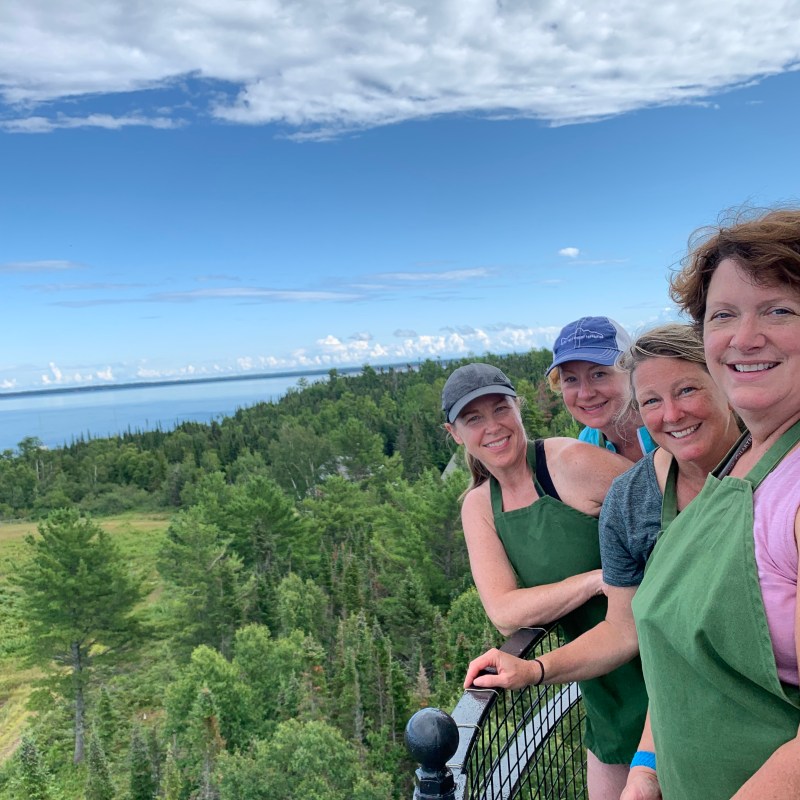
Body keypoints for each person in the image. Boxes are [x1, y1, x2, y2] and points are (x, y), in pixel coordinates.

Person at [463, 324, 741, 788]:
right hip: (631, 683)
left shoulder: (761, 466)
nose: (670, 414)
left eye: (599, 373)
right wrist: (535, 667)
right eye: (653, 402)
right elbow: (627, 623)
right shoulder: (629, 488)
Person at [624, 210, 800, 800]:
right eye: (723, 315)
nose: (744, 338)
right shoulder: (745, 460)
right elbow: (684, 660)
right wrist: (647, 768)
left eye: (778, 309)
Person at [442, 361, 643, 799]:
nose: (493, 427)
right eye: (473, 418)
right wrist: (597, 580)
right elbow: (504, 611)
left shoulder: (568, 462)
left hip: (657, 658)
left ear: (519, 409)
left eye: (500, 409)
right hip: (601, 682)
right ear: (454, 433)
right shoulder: (480, 506)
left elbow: (667, 505)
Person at [547, 316, 657, 462]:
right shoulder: (587, 444)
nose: (585, 394)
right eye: (571, 379)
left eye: (598, 374)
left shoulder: (666, 424)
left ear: (631, 370)